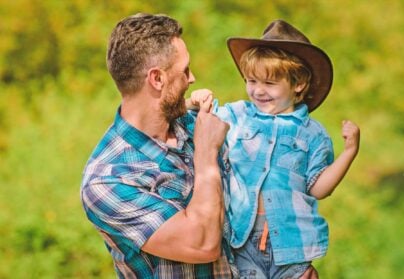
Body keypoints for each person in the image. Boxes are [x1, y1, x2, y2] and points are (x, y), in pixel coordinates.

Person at [188, 19, 360, 278]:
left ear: (298, 83)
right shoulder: (237, 115)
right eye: (251, 80)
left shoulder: (313, 135)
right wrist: (193, 102)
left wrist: (350, 151)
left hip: (293, 247)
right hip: (242, 241)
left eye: (269, 84)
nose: (257, 91)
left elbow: (318, 188)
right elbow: (195, 124)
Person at [80, 13, 236, 278]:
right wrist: (207, 154)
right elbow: (203, 244)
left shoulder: (193, 124)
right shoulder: (107, 181)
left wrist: (291, 267)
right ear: (157, 79)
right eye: (185, 70)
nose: (193, 78)